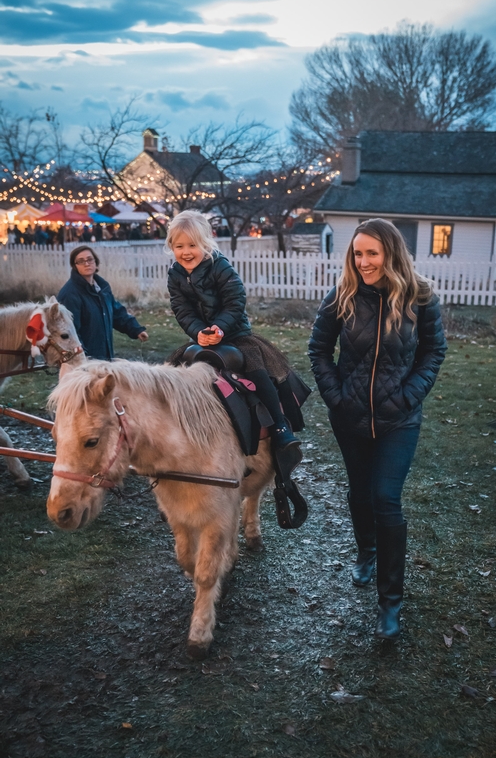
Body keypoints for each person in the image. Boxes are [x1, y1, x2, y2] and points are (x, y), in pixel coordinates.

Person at [308, 218, 447, 640]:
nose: (363, 261)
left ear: (390, 252)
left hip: (398, 419)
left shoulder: (420, 296)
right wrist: (337, 396)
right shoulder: (342, 295)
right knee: (359, 490)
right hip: (350, 417)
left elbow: (433, 350)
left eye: (372, 252)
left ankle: (390, 603)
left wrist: (408, 396)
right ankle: (366, 551)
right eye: (357, 252)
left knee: (385, 498)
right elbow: (318, 350)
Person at [166, 210, 299, 450]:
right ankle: (174, 427)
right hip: (201, 337)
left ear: (206, 244)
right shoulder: (175, 274)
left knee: (257, 370)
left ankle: (279, 426)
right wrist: (198, 332)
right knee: (174, 371)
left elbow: (236, 300)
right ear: (171, 247)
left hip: (235, 334)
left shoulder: (220, 266)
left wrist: (221, 327)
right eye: (179, 246)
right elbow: (181, 308)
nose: (185, 252)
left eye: (192, 245)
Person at [57, 245, 149, 361]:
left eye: (90, 259)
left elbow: (116, 313)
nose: (86, 263)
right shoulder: (70, 294)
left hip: (105, 357)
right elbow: (69, 332)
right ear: (75, 266)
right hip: (85, 362)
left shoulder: (102, 287)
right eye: (81, 261)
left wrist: (135, 329)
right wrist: (81, 359)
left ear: (96, 262)